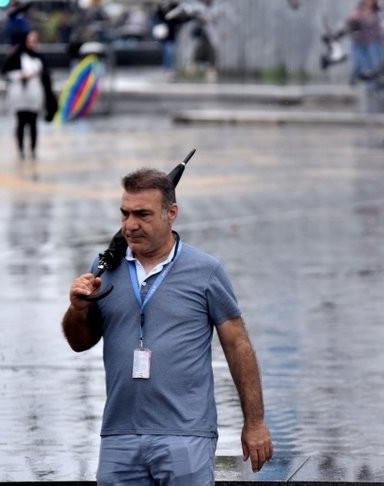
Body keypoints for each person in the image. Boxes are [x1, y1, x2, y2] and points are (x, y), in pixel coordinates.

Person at [62, 168, 273, 484]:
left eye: (143, 215)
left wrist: (254, 422)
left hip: (186, 435)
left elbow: (237, 344)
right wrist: (77, 309)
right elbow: (80, 342)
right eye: (125, 214)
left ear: (171, 213)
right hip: (119, 435)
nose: (131, 225)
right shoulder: (105, 269)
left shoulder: (206, 270)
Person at [1, 30, 56, 160]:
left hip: (35, 94)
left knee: (33, 123)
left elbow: (46, 76)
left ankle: (32, 150)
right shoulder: (16, 56)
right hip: (19, 95)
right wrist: (20, 75)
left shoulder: (39, 57)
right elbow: (5, 72)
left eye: (35, 41)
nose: (32, 44)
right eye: (30, 40)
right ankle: (21, 151)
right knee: (20, 122)